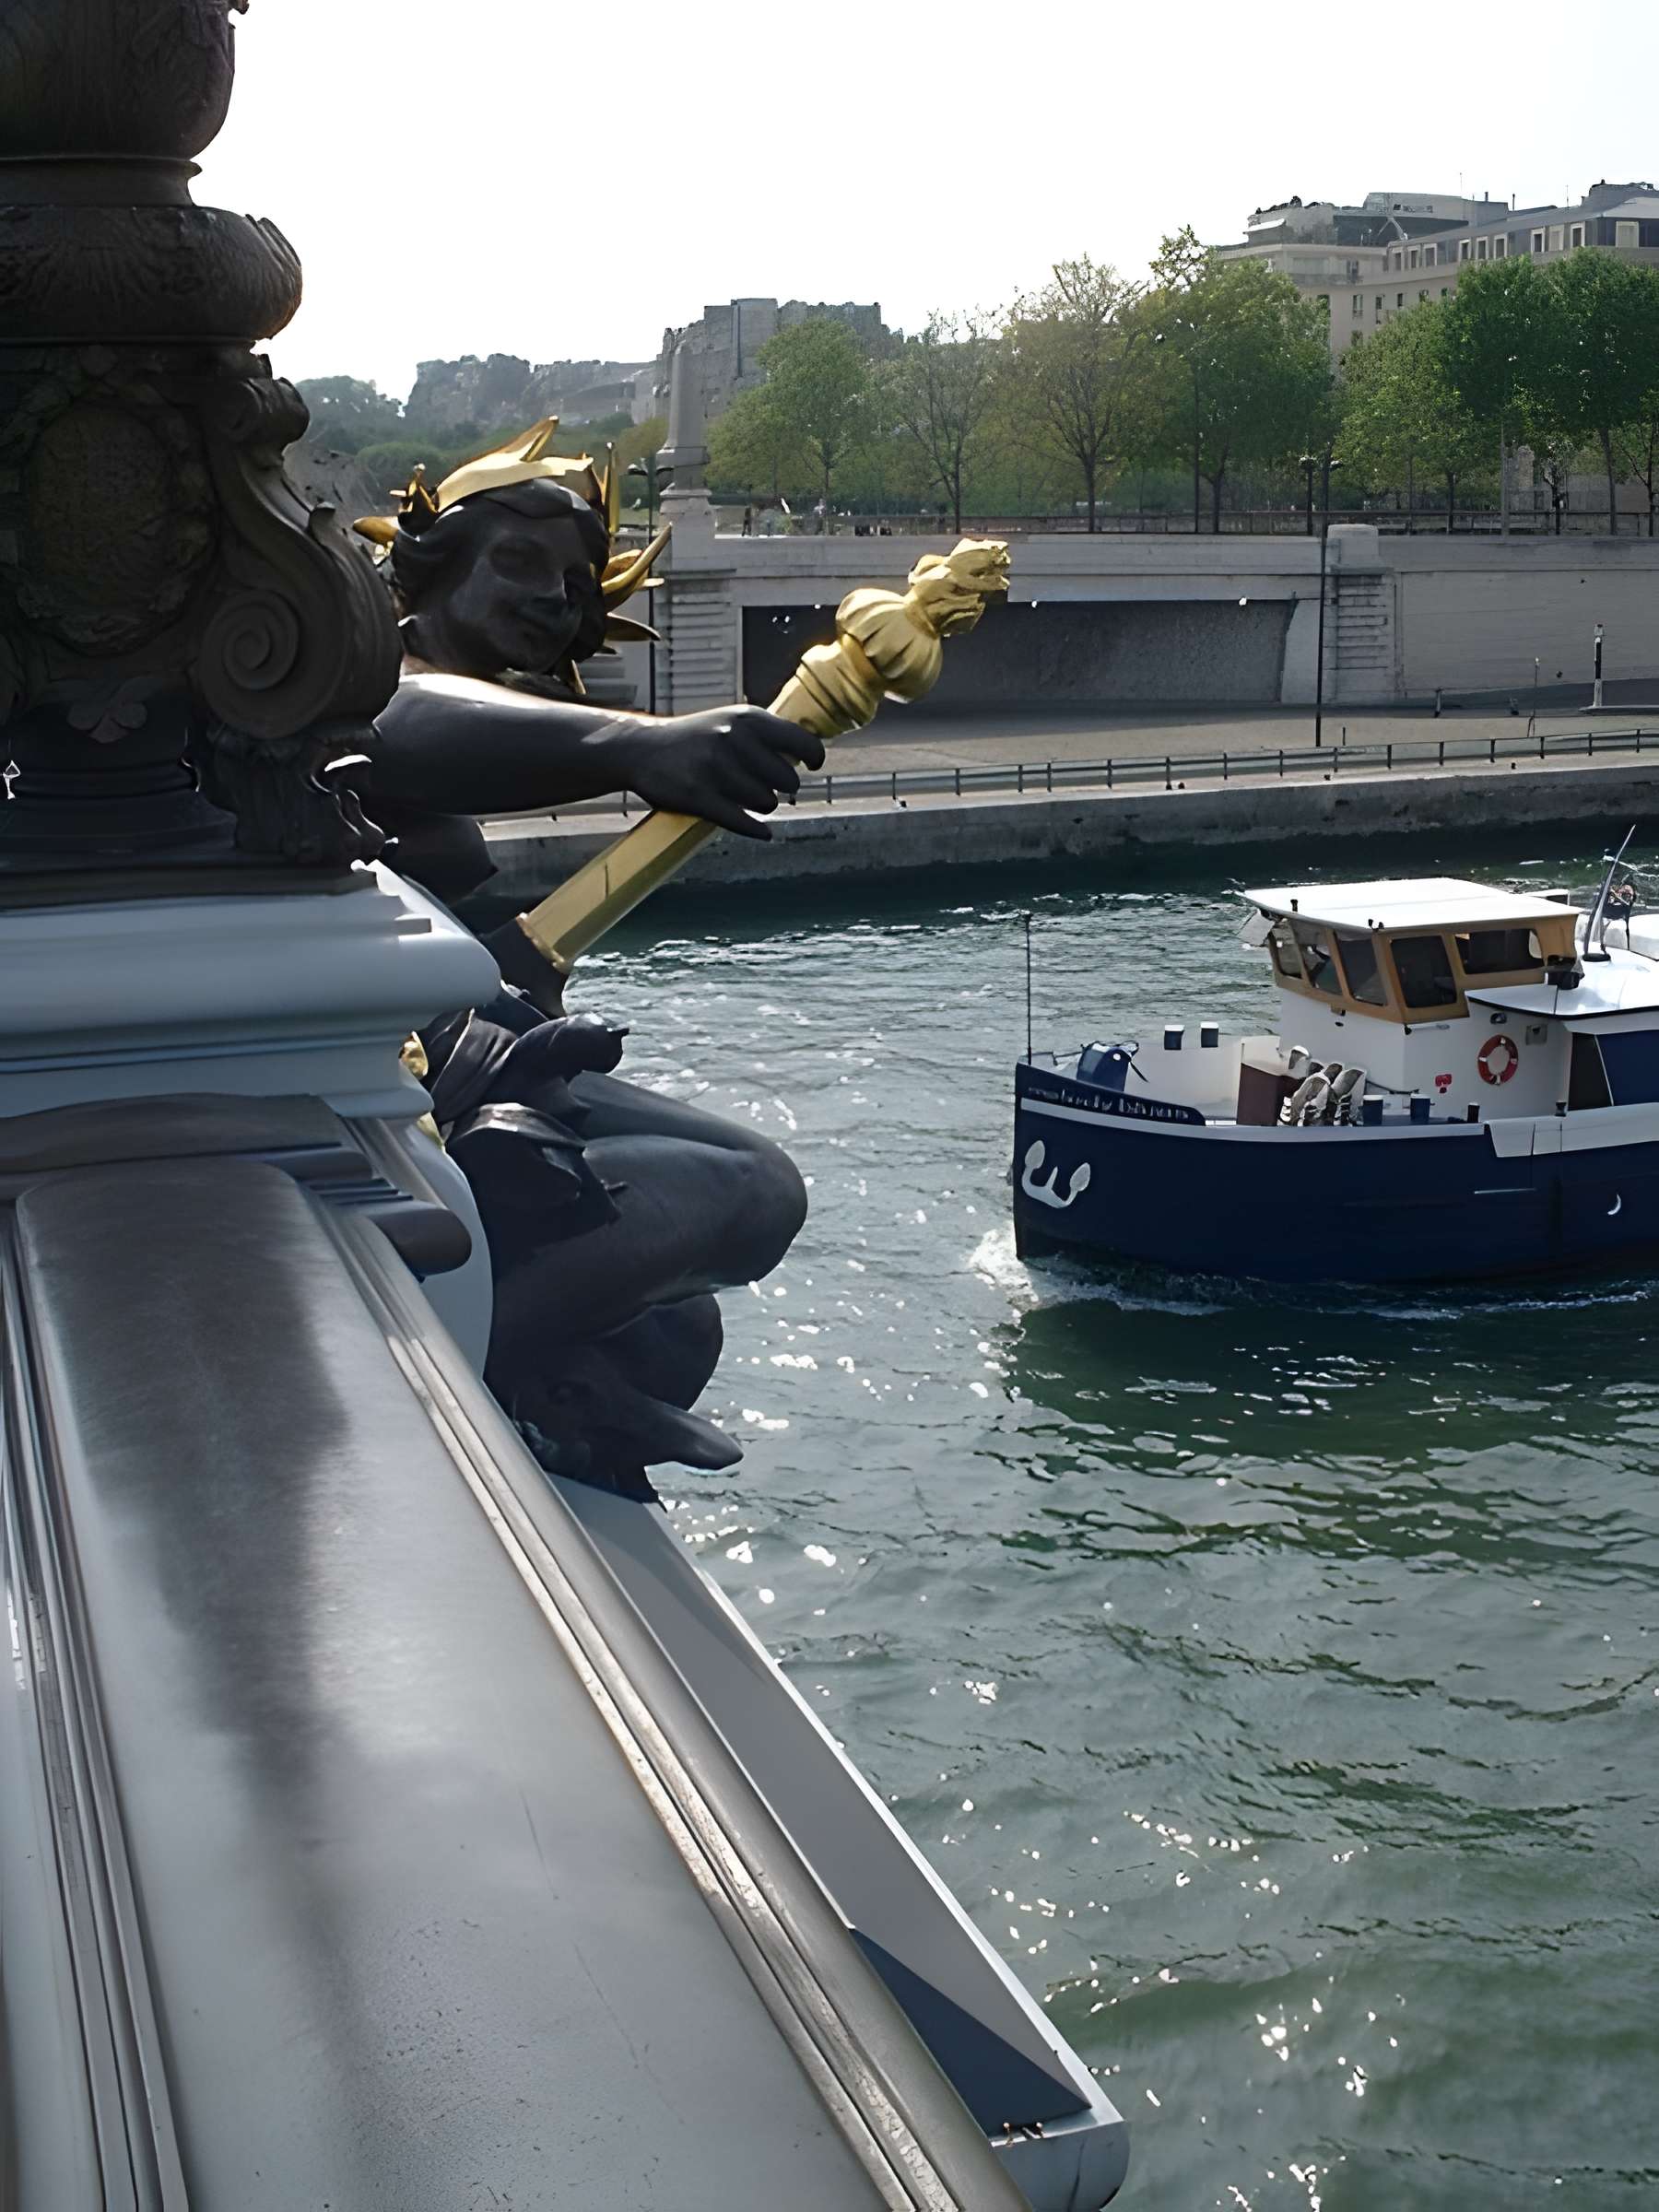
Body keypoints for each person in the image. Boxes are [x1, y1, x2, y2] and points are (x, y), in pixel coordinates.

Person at [351, 439, 823, 1490]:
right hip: (382, 1073)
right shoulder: (348, 680)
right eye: (519, 562)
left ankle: (546, 1387)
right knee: (753, 1193)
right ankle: (421, 1383)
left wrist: (504, 971)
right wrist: (636, 744)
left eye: (571, 584)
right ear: (428, 567)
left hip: (443, 1050)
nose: (553, 600)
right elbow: (388, 718)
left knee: (675, 1325)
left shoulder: (451, 717)